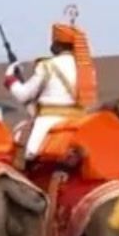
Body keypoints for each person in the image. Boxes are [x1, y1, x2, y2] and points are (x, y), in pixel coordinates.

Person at [7, 15, 96, 167]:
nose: (51, 45)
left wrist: (10, 79)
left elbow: (24, 95)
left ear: (59, 45)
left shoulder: (47, 65)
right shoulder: (87, 68)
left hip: (48, 121)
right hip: (81, 121)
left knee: (26, 153)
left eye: (54, 41)